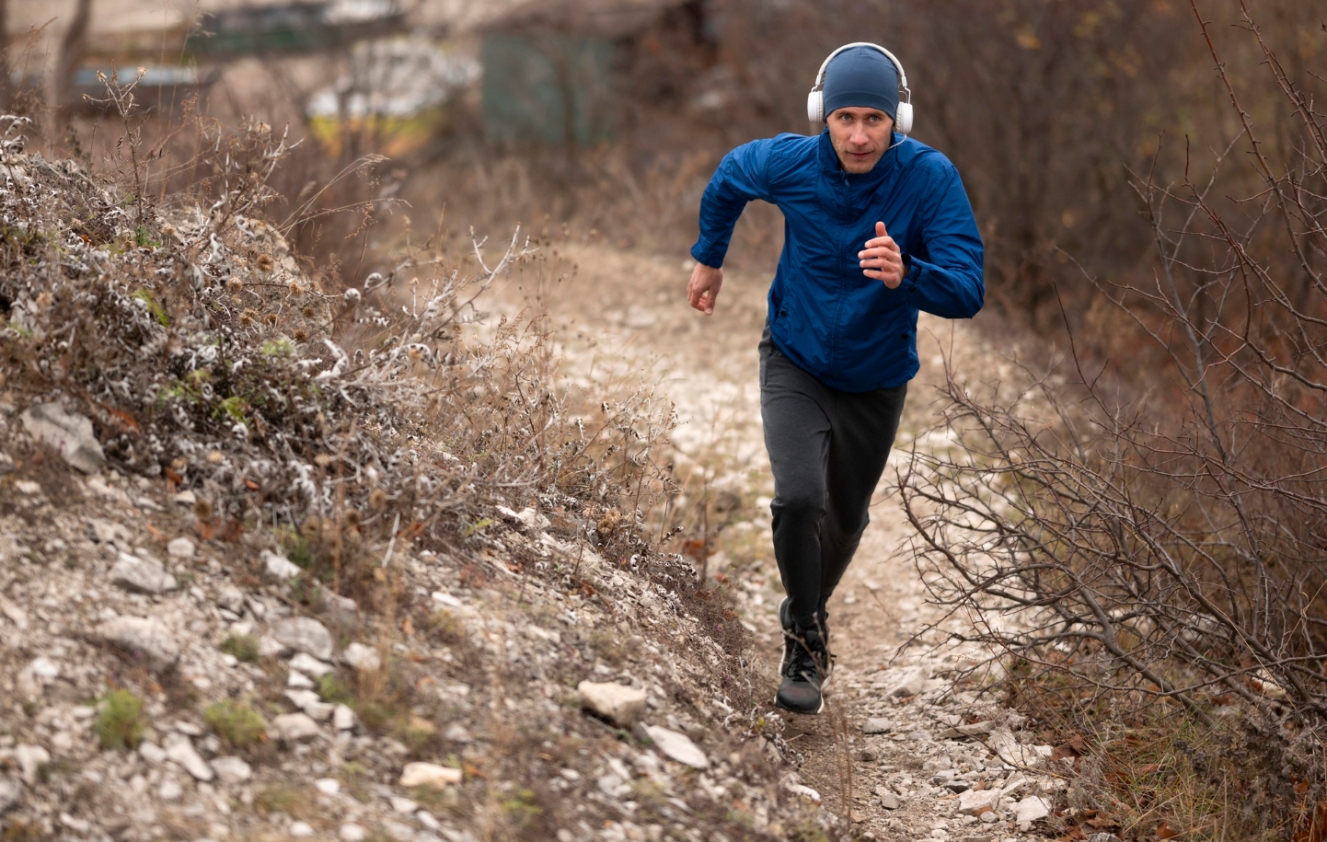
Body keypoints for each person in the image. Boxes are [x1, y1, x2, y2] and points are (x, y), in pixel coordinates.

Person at [686, 43, 984, 714]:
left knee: (844, 520)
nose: (856, 135)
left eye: (872, 120)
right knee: (798, 498)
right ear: (822, 115)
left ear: (896, 122)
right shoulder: (791, 162)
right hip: (794, 355)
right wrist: (709, 258)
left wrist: (910, 273)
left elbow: (968, 289)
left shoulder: (929, 179)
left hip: (876, 378)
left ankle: (805, 607)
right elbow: (731, 175)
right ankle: (804, 642)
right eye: (843, 117)